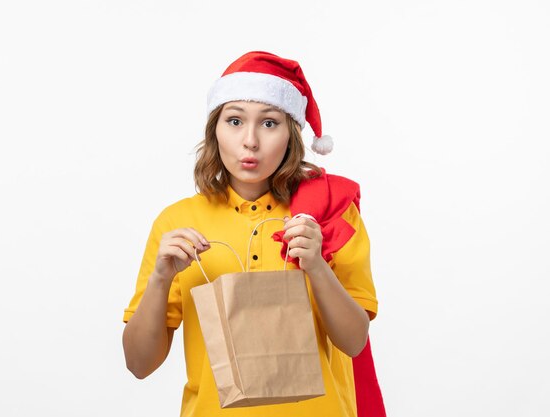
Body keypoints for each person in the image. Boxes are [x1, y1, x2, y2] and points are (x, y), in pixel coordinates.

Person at [122, 51, 382, 417]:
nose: (250, 141)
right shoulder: (178, 221)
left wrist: (317, 266)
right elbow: (139, 364)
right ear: (215, 129)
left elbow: (354, 343)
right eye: (234, 121)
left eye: (270, 123)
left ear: (291, 135)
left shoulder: (330, 213)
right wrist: (161, 278)